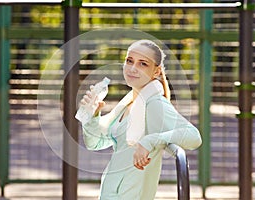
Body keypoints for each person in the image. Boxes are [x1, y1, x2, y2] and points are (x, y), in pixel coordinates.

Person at [79, 39, 202, 200]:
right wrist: (93, 116)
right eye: (129, 61)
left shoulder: (155, 103)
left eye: (142, 64)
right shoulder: (129, 102)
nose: (132, 68)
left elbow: (194, 137)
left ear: (156, 71)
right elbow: (95, 143)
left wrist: (149, 141)